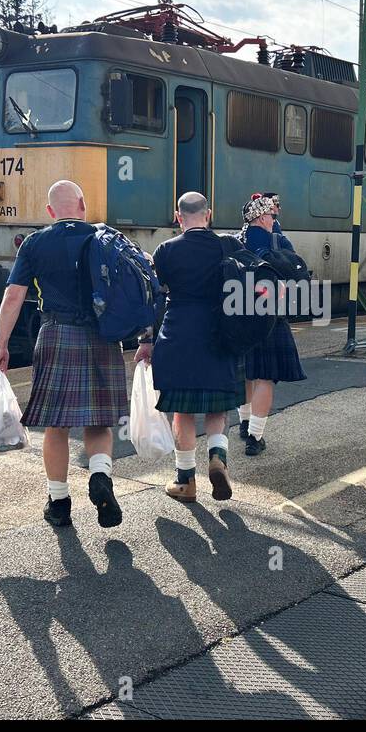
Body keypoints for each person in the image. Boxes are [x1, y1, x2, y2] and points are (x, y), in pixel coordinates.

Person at [0, 179, 127, 530]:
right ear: (82, 205)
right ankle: (100, 476)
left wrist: (1, 344)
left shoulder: (36, 242)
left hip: (56, 334)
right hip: (102, 335)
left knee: (57, 425)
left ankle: (60, 502)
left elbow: (14, 296)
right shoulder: (105, 237)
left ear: (51, 212)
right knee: (98, 422)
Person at [136, 192, 245, 502]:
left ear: (178, 217)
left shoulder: (166, 251)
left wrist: (146, 341)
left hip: (178, 335)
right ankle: (217, 456)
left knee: (182, 412)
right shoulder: (227, 245)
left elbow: (153, 298)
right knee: (218, 407)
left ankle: (185, 481)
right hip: (219, 334)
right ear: (208, 215)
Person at [234, 194, 305, 455]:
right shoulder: (276, 241)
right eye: (273, 217)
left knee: (246, 371)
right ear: (264, 218)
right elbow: (293, 270)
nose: (275, 220)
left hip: (239, 314)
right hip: (269, 316)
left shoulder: (235, 240)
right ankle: (255, 437)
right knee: (265, 376)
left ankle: (243, 423)